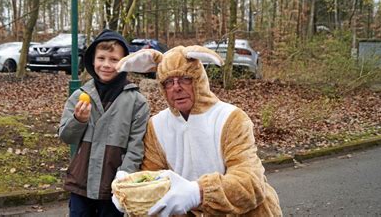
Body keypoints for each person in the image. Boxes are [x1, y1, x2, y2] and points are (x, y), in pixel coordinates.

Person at [115, 46, 282, 216]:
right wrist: (132, 193)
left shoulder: (231, 118)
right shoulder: (156, 126)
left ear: (198, 79)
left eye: (184, 78)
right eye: (168, 82)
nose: (176, 88)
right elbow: (153, 178)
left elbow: (250, 182)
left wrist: (199, 192)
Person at [58, 29, 151, 217]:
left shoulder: (137, 102)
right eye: (101, 58)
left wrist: (123, 177)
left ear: (124, 62)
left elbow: (136, 147)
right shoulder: (79, 96)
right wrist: (79, 121)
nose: (106, 65)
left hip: (114, 187)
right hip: (80, 184)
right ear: (93, 60)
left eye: (114, 59)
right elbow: (66, 136)